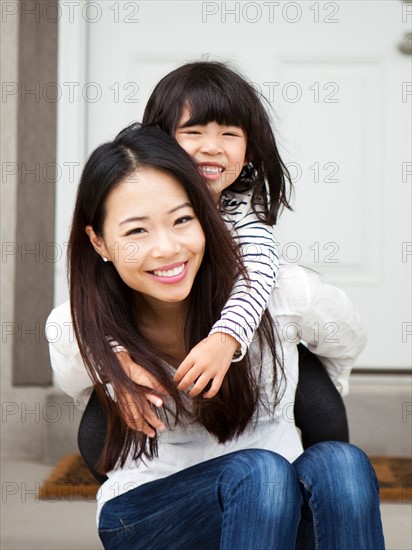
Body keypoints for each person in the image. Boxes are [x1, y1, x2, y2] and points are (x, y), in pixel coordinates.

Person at [46, 124, 385, 549]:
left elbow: (347, 337)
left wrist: (308, 382)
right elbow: (65, 342)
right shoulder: (83, 325)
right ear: (99, 242)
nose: (167, 248)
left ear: (206, 219)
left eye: (182, 220)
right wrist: (115, 365)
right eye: (136, 231)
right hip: (151, 514)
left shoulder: (280, 295)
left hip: (276, 504)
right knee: (259, 474)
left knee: (343, 465)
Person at [52, 60, 349, 445]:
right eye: (192, 131)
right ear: (160, 140)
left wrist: (225, 338)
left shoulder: (241, 208)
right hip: (155, 349)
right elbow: (97, 297)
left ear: (250, 146)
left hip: (238, 338)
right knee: (102, 426)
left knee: (315, 402)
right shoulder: (131, 191)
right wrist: (117, 362)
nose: (212, 146)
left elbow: (259, 271)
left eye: (230, 133)